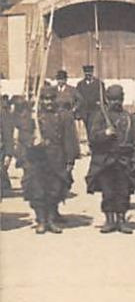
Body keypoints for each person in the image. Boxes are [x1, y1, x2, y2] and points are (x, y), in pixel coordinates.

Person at [20, 87, 78, 233]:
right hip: (36, 160)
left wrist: (70, 159)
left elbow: (69, 139)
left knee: (55, 190)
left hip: (56, 159)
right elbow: (23, 135)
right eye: (45, 99)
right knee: (37, 190)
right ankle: (41, 220)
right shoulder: (33, 116)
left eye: (51, 99)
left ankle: (51, 220)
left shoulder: (63, 116)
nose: (48, 102)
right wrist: (32, 141)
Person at [87, 84, 135, 234]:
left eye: (119, 99)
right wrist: (105, 133)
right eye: (113, 99)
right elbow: (92, 138)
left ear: (123, 99)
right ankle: (110, 220)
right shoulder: (100, 116)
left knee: (123, 191)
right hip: (105, 160)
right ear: (108, 100)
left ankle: (121, 220)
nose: (116, 102)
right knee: (108, 192)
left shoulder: (129, 118)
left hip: (124, 160)